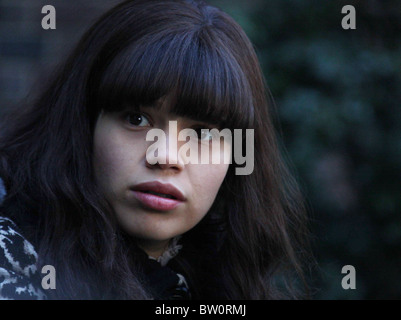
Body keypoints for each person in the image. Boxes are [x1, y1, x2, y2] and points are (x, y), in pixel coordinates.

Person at [0, 0, 311, 300]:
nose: (166, 157)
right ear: (84, 125)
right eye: (136, 119)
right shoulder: (11, 265)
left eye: (202, 134)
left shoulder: (225, 280)